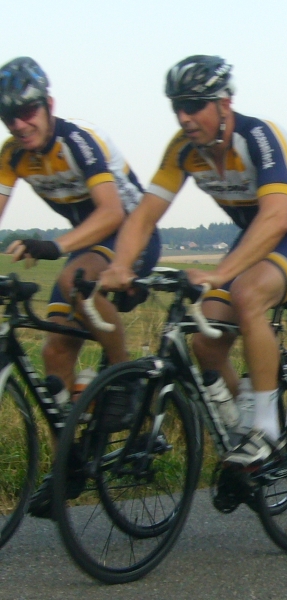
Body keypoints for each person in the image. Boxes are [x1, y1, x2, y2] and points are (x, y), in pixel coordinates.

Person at [100, 55, 287, 469]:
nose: (184, 116)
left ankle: (267, 431)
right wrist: (122, 265)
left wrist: (220, 273)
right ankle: (242, 426)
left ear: (224, 104)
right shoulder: (183, 149)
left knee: (247, 294)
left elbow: (277, 217)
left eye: (194, 105)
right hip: (259, 235)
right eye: (177, 106)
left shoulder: (258, 136)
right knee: (205, 338)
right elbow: (143, 215)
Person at [0, 56, 160, 516]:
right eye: (8, 115)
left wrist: (54, 246)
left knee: (73, 277)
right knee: (54, 353)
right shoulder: (13, 152)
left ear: (48, 104)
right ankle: (70, 464)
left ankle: (124, 378)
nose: (20, 122)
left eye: (28, 111)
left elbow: (110, 212)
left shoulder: (77, 142)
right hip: (86, 244)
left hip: (131, 233)